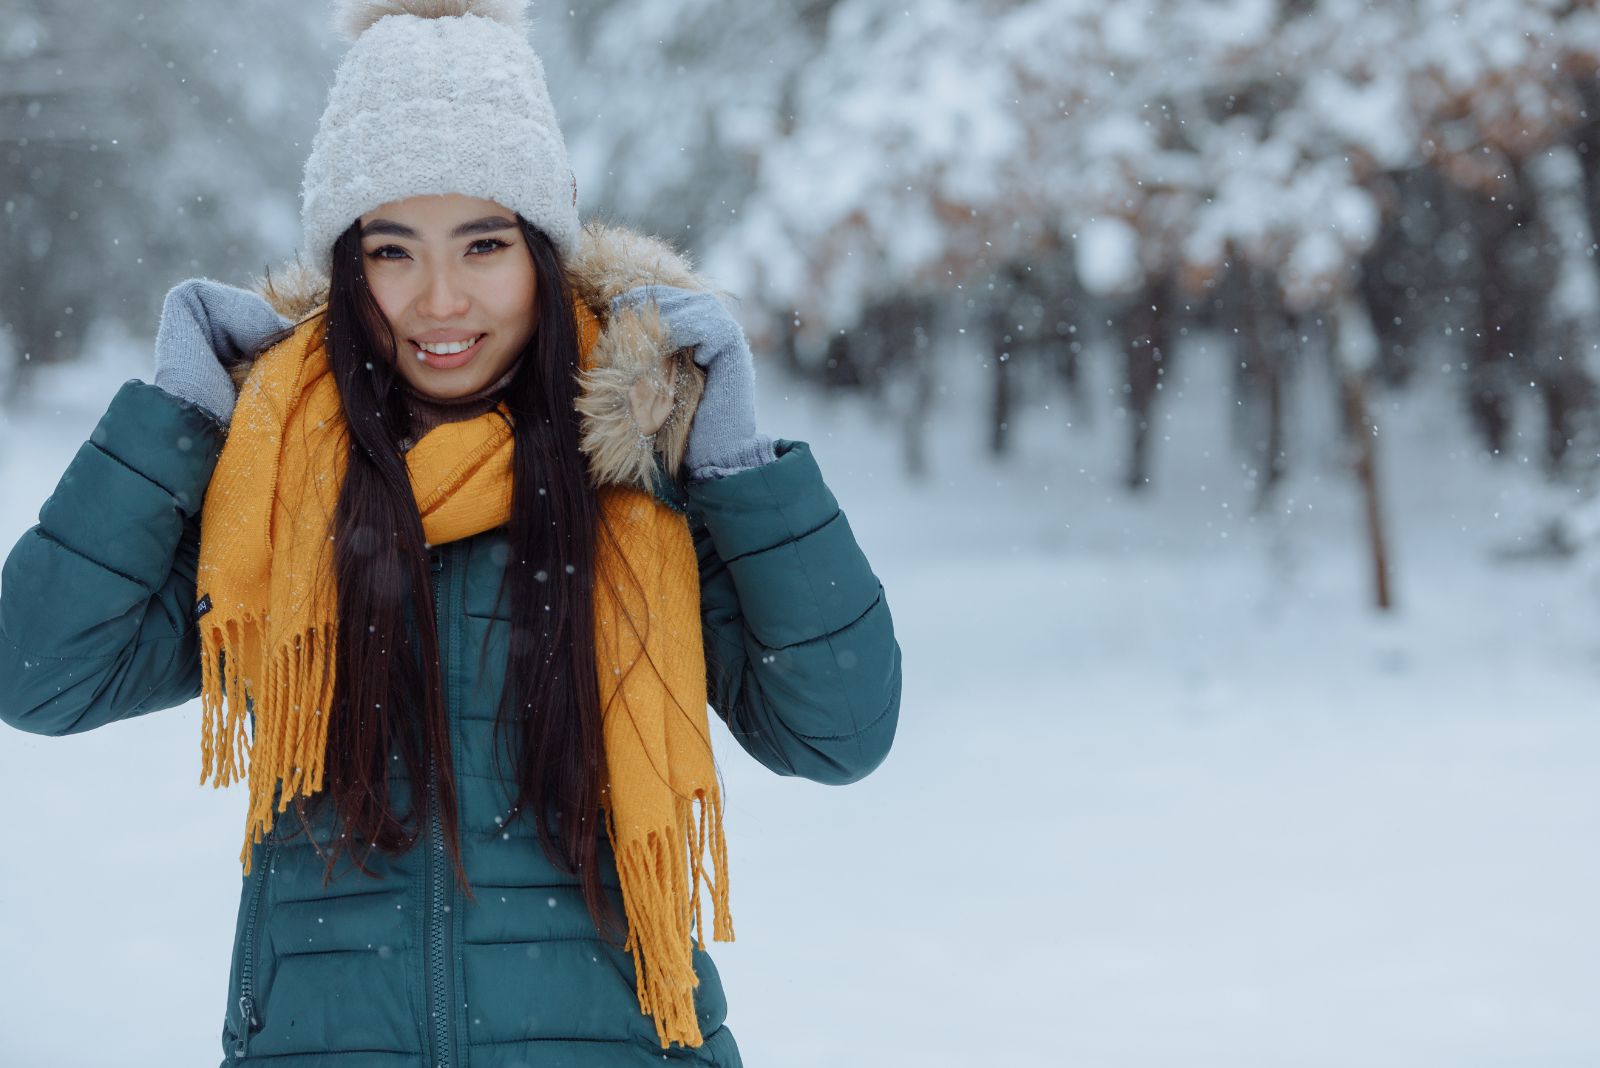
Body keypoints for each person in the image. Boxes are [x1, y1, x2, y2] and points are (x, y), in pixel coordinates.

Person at [0, 1, 901, 1065]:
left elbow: (836, 733)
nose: (439, 300)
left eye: (484, 243)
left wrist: (739, 471)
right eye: (392, 250)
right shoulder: (277, 487)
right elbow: (39, 672)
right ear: (347, 267)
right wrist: (181, 420)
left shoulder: (638, 478)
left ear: (546, 250)